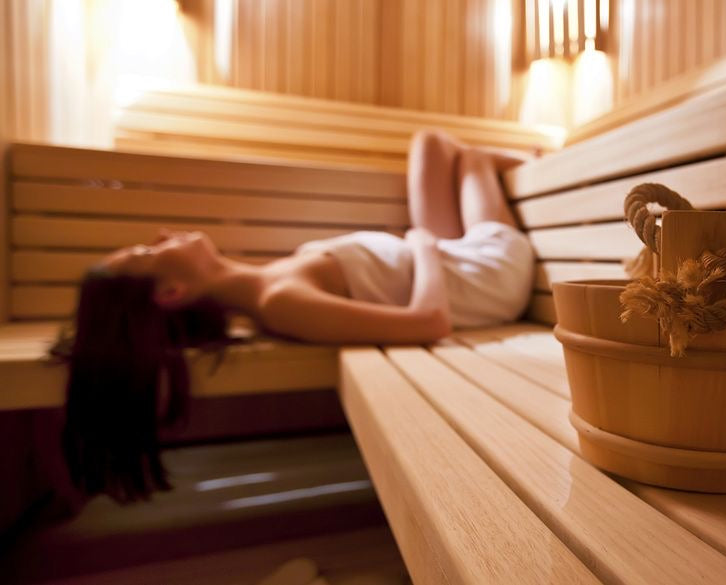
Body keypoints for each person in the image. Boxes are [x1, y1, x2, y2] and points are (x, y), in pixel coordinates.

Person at [54, 130, 535, 502]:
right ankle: (552, 165)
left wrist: (425, 245)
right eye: (148, 250)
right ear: (172, 292)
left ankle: (535, 165)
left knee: (431, 143)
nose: (162, 234)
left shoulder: (271, 283)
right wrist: (423, 244)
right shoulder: (281, 303)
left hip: (449, 258)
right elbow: (430, 323)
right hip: (487, 275)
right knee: (470, 159)